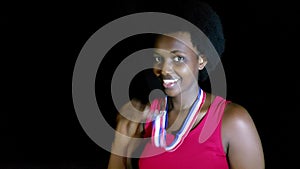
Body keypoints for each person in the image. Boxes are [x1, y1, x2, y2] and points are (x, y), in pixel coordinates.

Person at [107, 1, 265, 168]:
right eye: (158, 58)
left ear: (202, 60)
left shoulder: (232, 121)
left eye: (178, 58)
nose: (165, 69)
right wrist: (120, 140)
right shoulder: (144, 119)